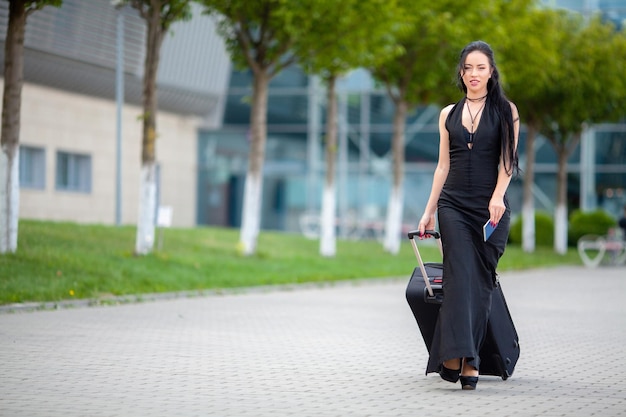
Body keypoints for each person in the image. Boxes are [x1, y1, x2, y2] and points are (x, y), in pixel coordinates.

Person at [417, 40, 520, 390]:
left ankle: (462, 355)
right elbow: (442, 166)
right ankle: (466, 360)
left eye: (480, 67)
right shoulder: (448, 114)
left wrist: (498, 197)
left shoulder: (507, 111)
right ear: (460, 73)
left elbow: (508, 161)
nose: (473, 74)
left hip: (491, 208)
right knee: (459, 277)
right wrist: (429, 210)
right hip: (454, 205)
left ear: (492, 72)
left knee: (480, 280)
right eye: (467, 68)